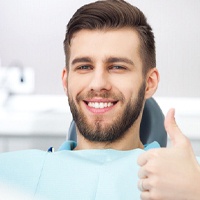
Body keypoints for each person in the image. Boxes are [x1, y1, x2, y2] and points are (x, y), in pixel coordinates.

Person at [0, 0, 200, 199]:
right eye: (84, 67)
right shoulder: (8, 172)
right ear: (66, 80)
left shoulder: (191, 177)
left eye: (117, 67)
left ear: (149, 82)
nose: (98, 83)